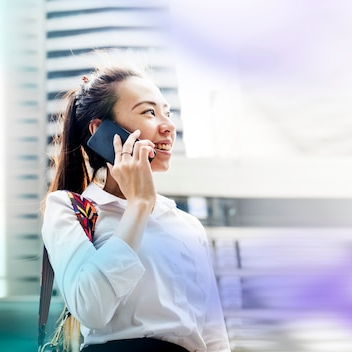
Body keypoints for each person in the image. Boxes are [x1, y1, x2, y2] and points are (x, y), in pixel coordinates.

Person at [41, 57, 231, 352]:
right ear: (100, 130)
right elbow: (91, 308)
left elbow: (214, 336)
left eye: (167, 113)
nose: (168, 126)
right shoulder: (70, 208)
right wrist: (139, 207)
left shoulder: (186, 225)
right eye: (149, 112)